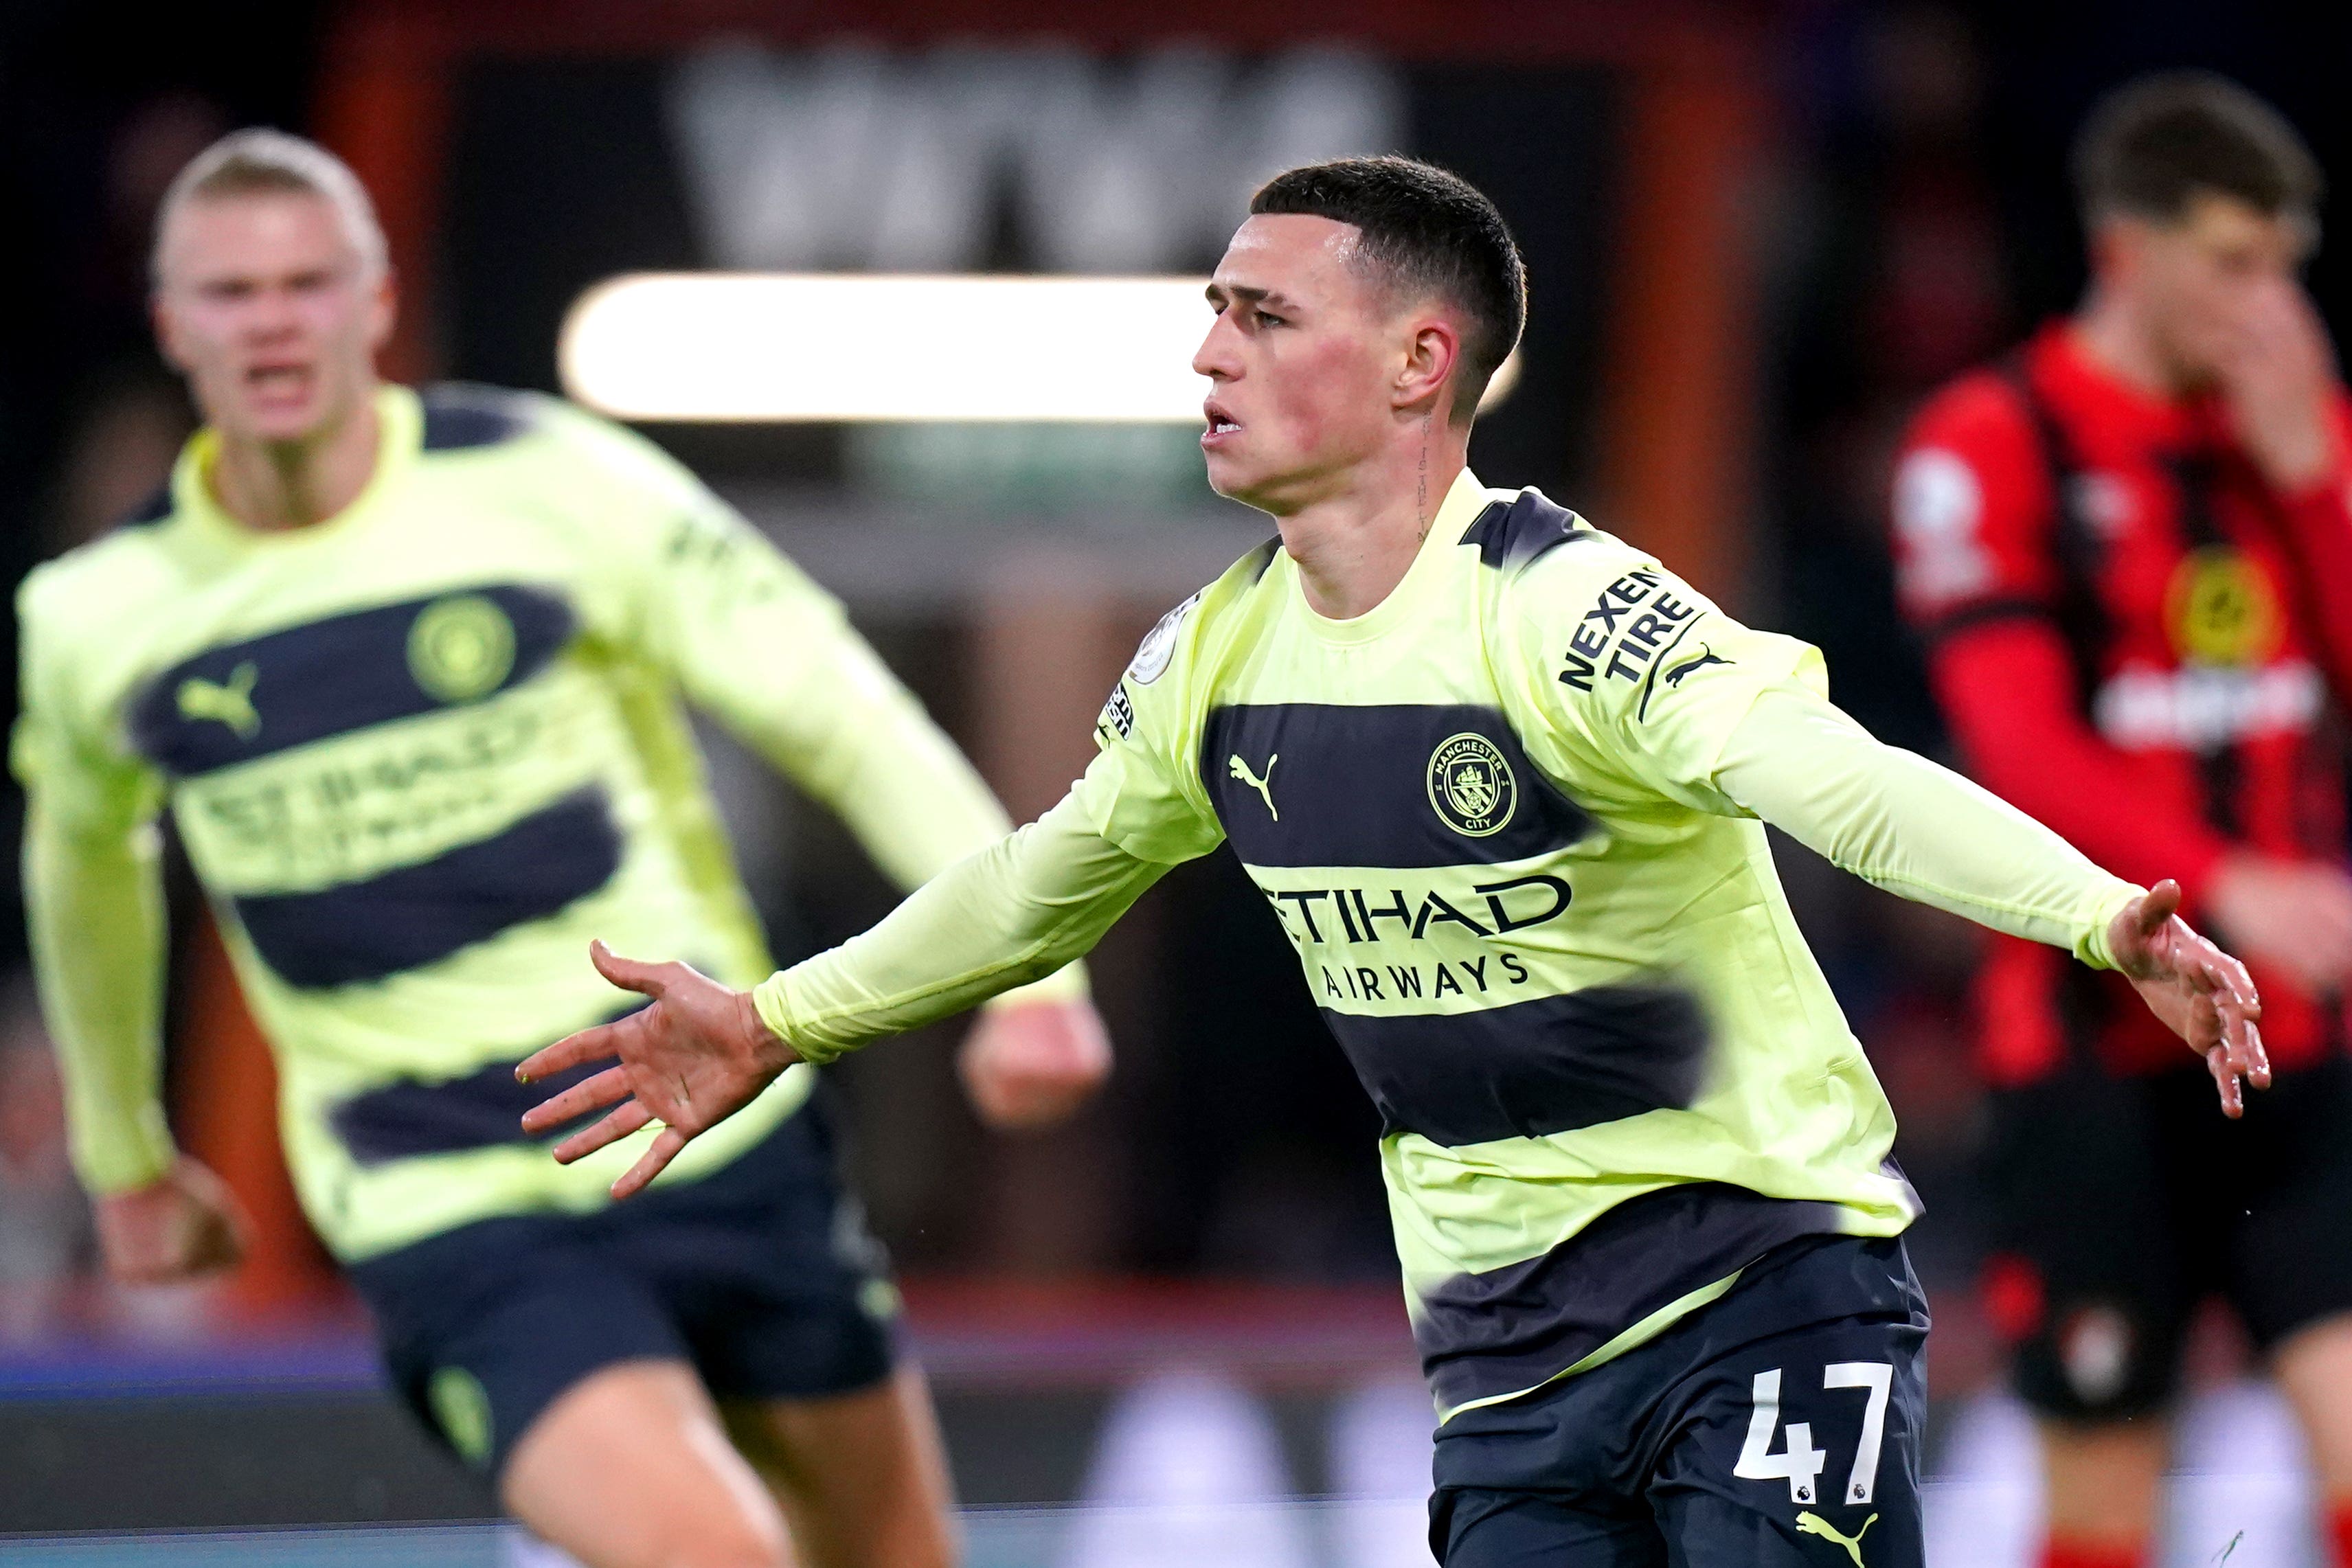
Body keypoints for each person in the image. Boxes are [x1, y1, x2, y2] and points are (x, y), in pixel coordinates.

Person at [522, 156, 2265, 1566]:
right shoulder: (1216, 659)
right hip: (1503, 1377)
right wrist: (779, 1019)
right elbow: (1037, 881)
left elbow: (1844, 784)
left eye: (1261, 317)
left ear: (1421, 361)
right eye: (1210, 317)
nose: (1207, 357)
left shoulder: (1566, 615)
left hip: (1757, 1293)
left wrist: (2098, 915)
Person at [14, 128, 1114, 1568]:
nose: (271, 319)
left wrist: (1029, 975)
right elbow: (85, 871)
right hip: (447, 1201)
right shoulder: (99, 618)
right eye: (230, 291)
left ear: (377, 300)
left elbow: (835, 710)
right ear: (171, 322)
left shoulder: (554, 480)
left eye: (306, 282)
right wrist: (125, 1155)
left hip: (721, 1127)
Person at [1889, 73, 2352, 1568]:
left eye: (2283, 261)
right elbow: (2012, 745)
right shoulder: (1988, 442)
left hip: (2299, 1046)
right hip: (2086, 1053)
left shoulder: (2297, 434)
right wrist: (2226, 877)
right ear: (2125, 248)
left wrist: (2313, 482)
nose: (2265, 301)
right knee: (2101, 1493)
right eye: (2231, 261)